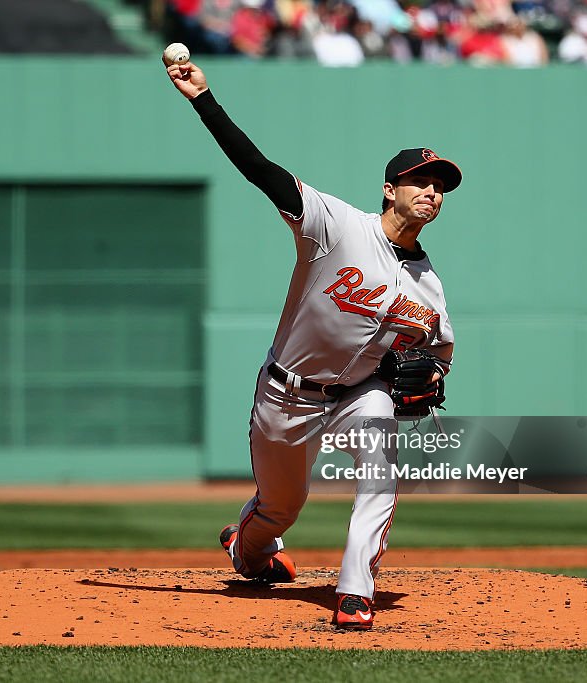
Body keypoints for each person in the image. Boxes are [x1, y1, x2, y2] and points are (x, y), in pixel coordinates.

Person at [163, 59, 460, 629]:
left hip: (358, 395)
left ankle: (355, 593)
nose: (431, 191)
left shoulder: (430, 286)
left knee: (381, 472)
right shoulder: (337, 225)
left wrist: (432, 375)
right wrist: (204, 100)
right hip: (285, 395)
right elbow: (259, 170)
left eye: (440, 185)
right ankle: (246, 548)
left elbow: (439, 354)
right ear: (389, 188)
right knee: (280, 509)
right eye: (421, 180)